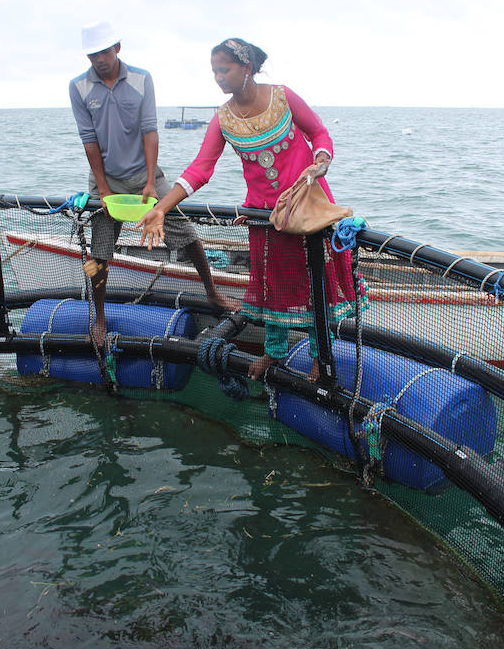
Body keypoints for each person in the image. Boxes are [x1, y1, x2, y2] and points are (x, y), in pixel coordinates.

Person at [138, 37, 363, 381]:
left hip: (306, 209)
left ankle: (321, 354)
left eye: (224, 69)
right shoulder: (223, 118)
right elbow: (200, 168)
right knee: (272, 287)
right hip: (263, 218)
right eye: (214, 71)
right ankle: (274, 353)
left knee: (315, 284)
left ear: (247, 67)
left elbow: (319, 133)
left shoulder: (284, 97)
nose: (218, 77)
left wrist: (321, 161)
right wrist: (162, 208)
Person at [69, 20, 233, 344]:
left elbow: (150, 130)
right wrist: (102, 188)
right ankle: (99, 316)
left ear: (117, 48)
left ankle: (212, 292)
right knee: (98, 255)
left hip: (146, 174)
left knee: (185, 233)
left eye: (104, 51)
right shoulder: (78, 87)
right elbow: (89, 140)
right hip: (107, 181)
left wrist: (148, 181)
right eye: (92, 55)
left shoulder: (142, 79)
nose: (99, 59)